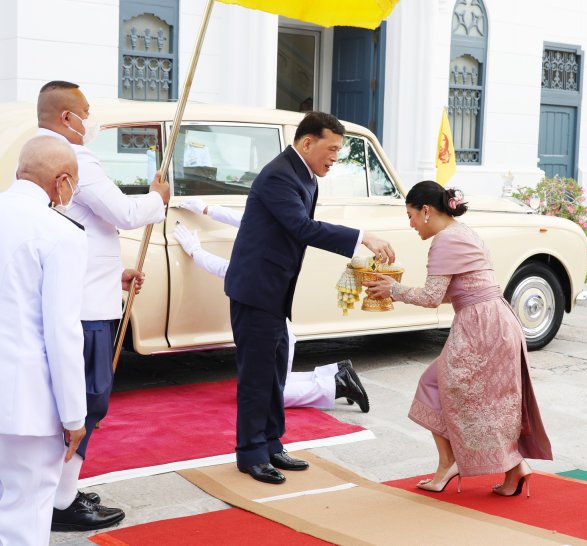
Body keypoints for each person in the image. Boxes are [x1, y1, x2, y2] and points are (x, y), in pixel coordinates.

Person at [224, 111, 394, 485]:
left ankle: (271, 443)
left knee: (275, 368)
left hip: (275, 290)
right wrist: (362, 236)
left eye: (339, 150)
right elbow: (302, 228)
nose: (335, 157)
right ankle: (251, 453)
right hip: (256, 290)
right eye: (331, 149)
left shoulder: (303, 174)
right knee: (256, 375)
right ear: (307, 142)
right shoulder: (279, 176)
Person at [36, 80, 171, 531]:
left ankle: (59, 491)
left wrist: (115, 275)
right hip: (87, 308)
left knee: (72, 402)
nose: (90, 121)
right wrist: (158, 199)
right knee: (87, 402)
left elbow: (79, 233)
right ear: (66, 117)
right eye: (86, 112)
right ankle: (61, 502)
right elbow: (124, 214)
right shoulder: (76, 159)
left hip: (84, 291)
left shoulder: (38, 151)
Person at [363, 181, 552, 496]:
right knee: (490, 399)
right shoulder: (465, 233)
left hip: (481, 327)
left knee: (449, 389)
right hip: (495, 320)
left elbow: (433, 297)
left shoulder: (445, 241)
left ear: (425, 211)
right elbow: (462, 290)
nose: (410, 224)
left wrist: (393, 290)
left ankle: (455, 463)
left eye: (410, 215)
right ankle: (512, 469)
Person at [172, 198, 369, 412]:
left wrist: (196, 252)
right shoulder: (274, 228)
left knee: (262, 396)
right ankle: (334, 373)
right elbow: (244, 221)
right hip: (277, 335)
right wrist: (207, 209)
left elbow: (227, 270)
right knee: (265, 385)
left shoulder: (263, 252)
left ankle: (336, 385)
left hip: (273, 339)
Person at [0, 137, 88, 545]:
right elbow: (62, 332)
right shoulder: (60, 232)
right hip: (26, 402)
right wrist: (74, 417)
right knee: (26, 515)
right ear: (62, 182)